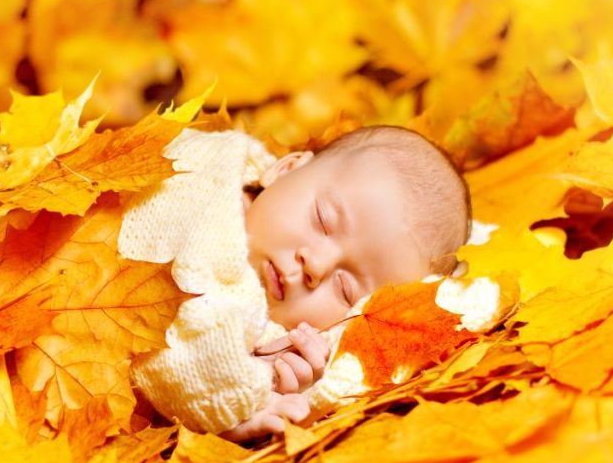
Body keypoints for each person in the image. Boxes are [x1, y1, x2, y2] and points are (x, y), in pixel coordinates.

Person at [118, 124, 471, 443]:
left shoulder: (278, 331)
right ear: (285, 169)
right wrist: (234, 400)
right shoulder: (201, 182)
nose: (316, 265)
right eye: (323, 220)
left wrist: (271, 376)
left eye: (344, 289)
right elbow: (168, 339)